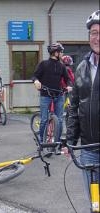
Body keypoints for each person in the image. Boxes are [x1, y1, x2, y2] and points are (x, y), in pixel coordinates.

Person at [64, 10, 99, 208]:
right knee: (94, 203)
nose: (97, 37)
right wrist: (69, 140)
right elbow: (74, 107)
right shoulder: (81, 68)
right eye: (94, 32)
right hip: (88, 149)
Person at [32, 43, 72, 144]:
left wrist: (68, 86)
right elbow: (35, 76)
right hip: (46, 95)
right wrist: (36, 81)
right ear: (55, 53)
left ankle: (57, 143)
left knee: (59, 120)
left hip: (59, 95)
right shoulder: (43, 64)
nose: (62, 54)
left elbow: (68, 79)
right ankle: (42, 142)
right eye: (61, 52)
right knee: (44, 120)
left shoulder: (61, 66)